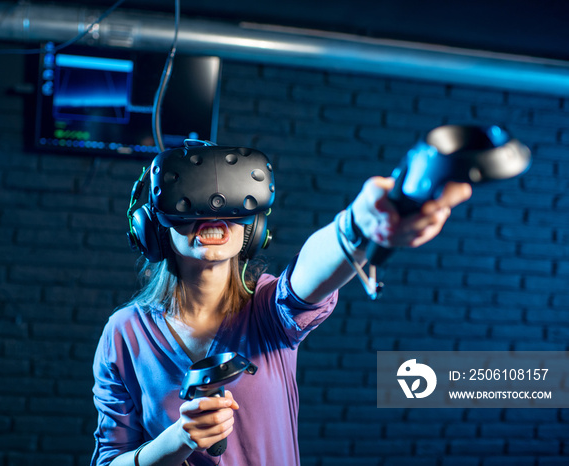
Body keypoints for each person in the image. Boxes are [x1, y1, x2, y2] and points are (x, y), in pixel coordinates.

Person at [90, 145, 472, 466]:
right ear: (154, 229)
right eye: (191, 206)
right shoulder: (125, 333)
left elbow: (307, 278)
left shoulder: (269, 310)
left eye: (231, 209)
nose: (214, 217)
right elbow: (111, 460)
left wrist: (358, 226)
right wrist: (177, 441)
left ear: (252, 228)